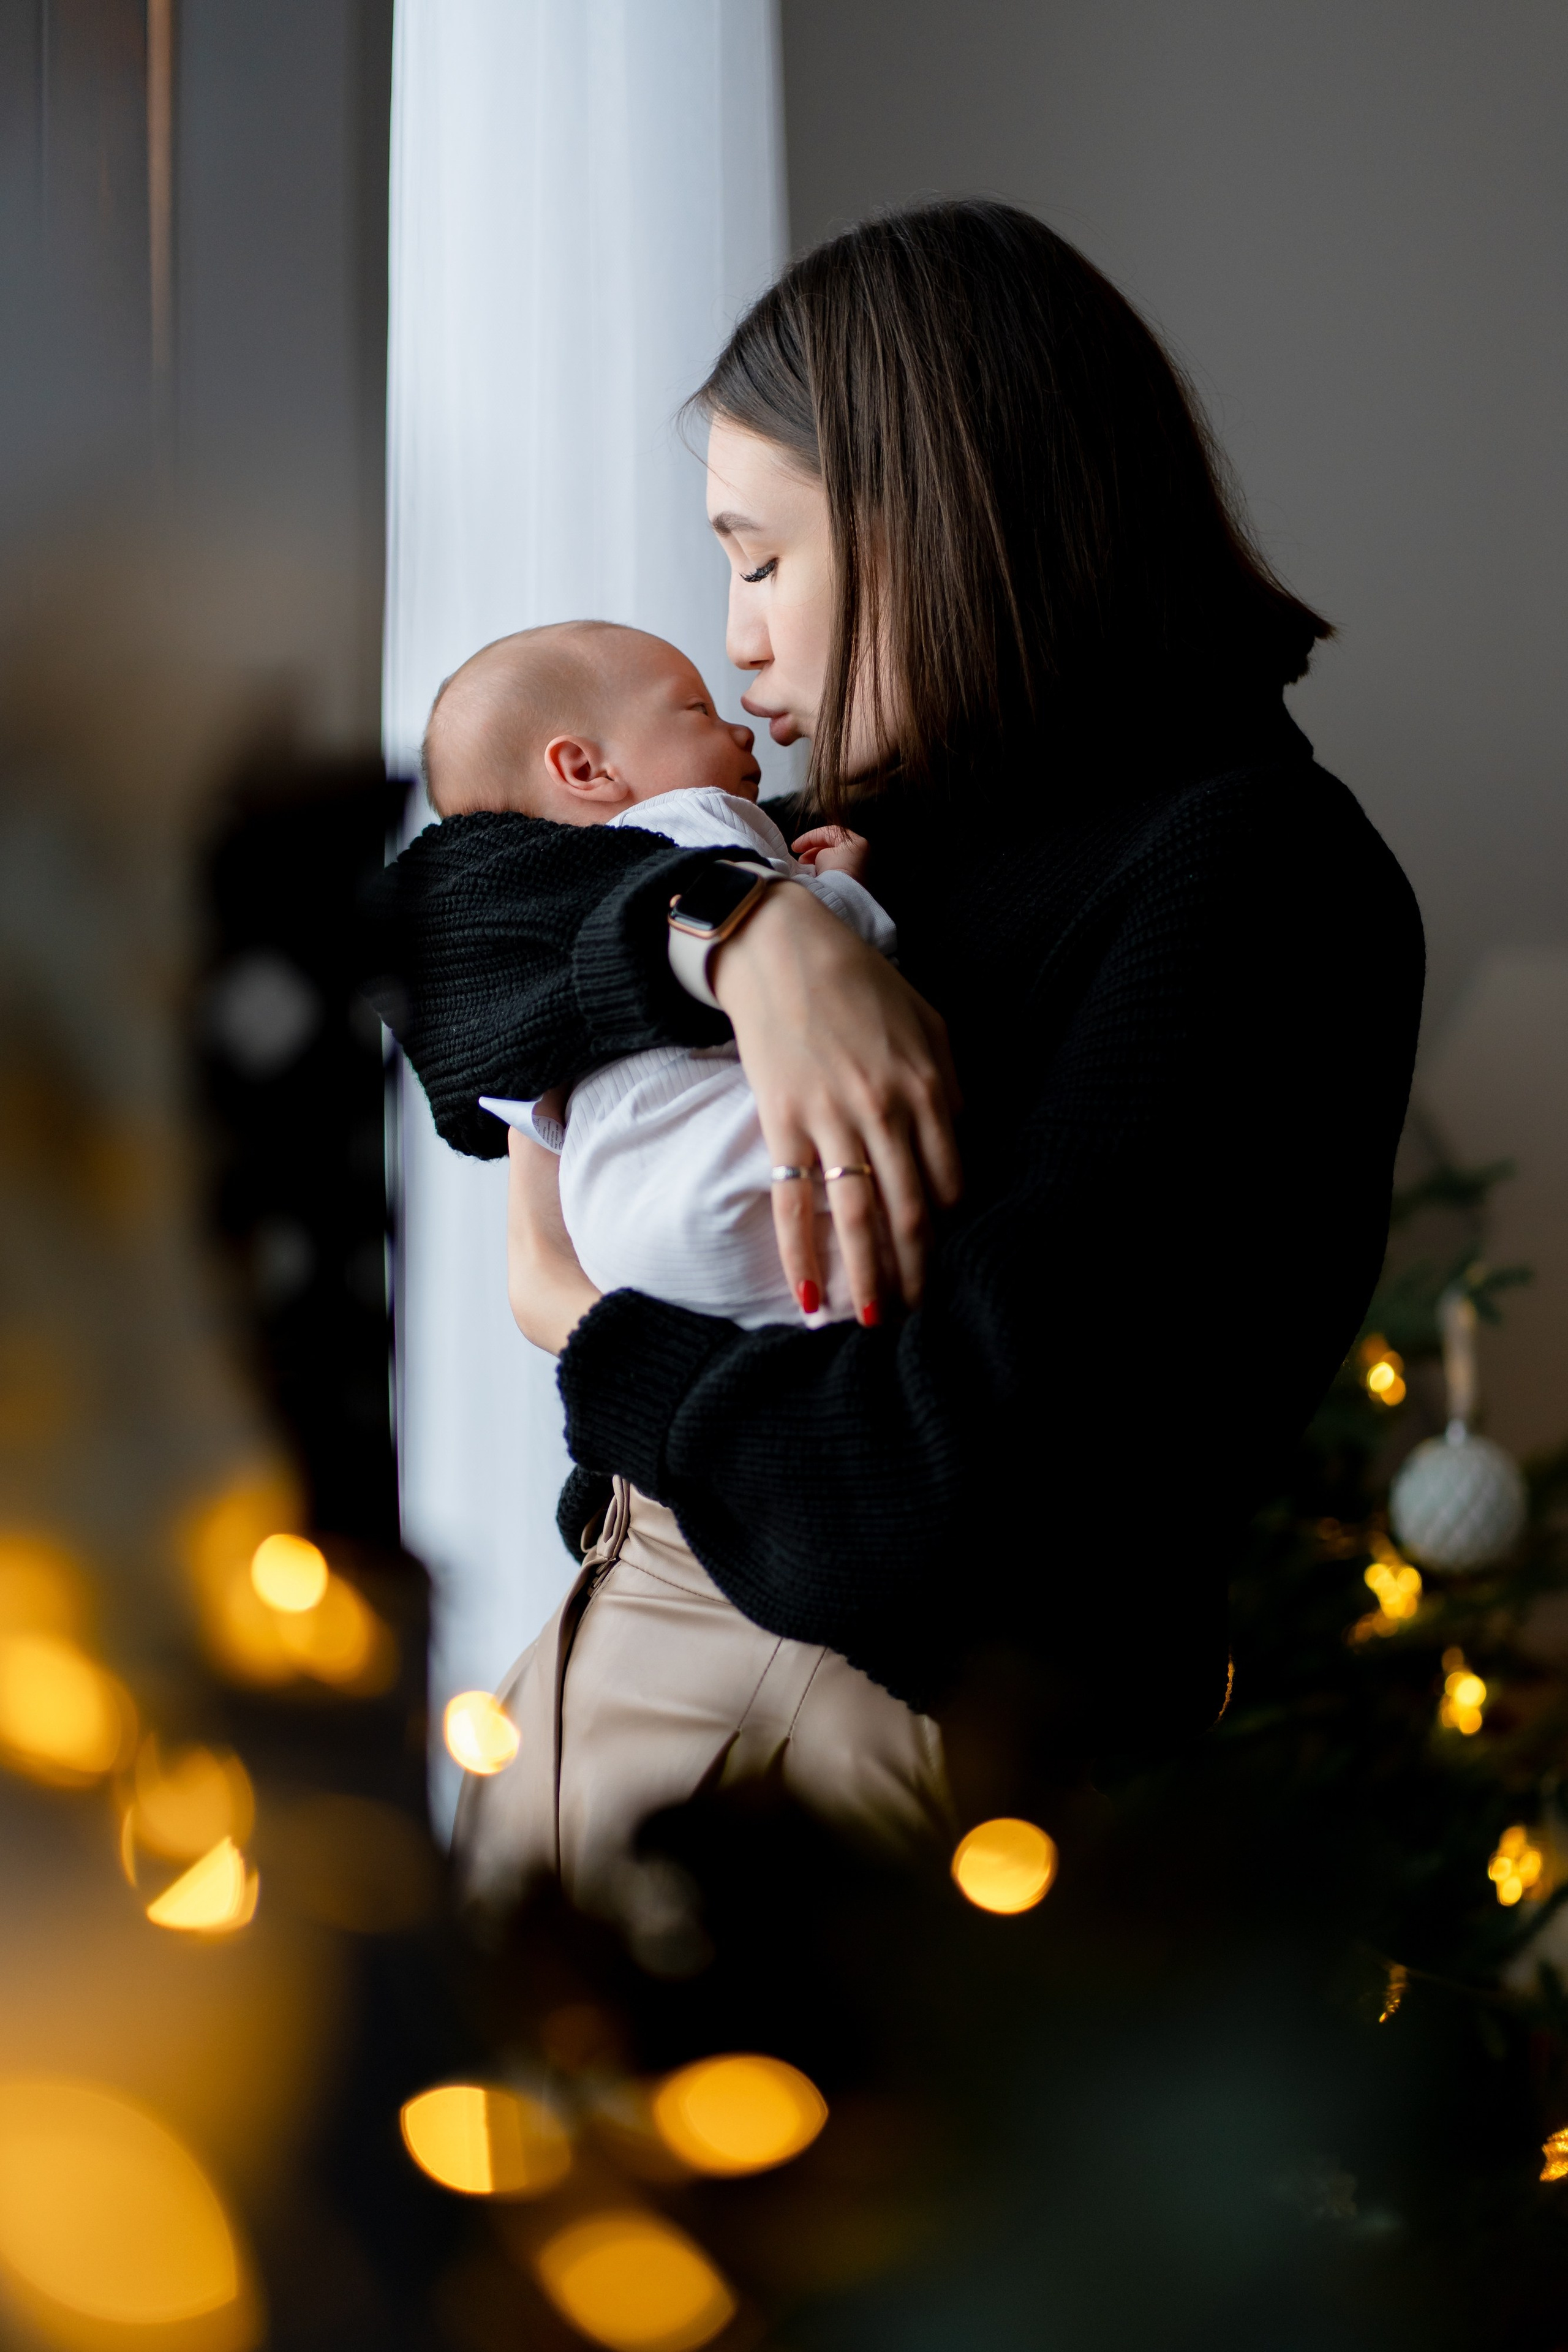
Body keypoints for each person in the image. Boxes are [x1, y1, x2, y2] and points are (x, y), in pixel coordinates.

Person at [385, 199, 1424, 1877]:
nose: (738, 636)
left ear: (939, 518)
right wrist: (736, 936)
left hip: (824, 1745)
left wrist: (587, 1328)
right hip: (631, 1668)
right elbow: (434, 941)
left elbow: (940, 1508)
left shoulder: (1251, 882)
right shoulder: (855, 833)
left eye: (763, 556)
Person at [375, 619, 953, 1917]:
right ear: (584, 769)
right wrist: (765, 925)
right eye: (695, 695)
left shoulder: (708, 833)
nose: (743, 664)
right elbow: (434, 913)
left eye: (762, 560)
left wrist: (586, 1316)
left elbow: (529, 1193)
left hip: (757, 1566)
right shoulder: (717, 836)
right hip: (671, 1547)